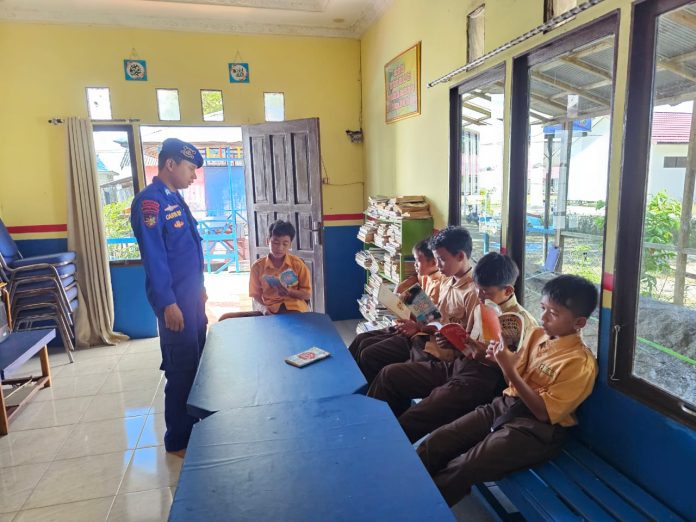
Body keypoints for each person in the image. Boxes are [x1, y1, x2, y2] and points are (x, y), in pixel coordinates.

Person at [417, 274, 599, 506]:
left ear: (579, 322)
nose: (543, 317)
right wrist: (498, 359)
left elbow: (543, 412)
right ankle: (408, 490)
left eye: (553, 313)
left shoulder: (579, 362)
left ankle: (423, 508)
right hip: (506, 405)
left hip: (535, 429)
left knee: (464, 466)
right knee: (437, 441)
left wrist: (508, 368)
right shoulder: (537, 335)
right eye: (543, 308)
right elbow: (513, 380)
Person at [368, 252, 537, 443]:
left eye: (486, 292)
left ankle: (384, 445)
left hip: (481, 382)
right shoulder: (480, 306)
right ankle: (369, 427)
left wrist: (488, 356)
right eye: (478, 290)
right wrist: (453, 342)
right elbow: (467, 342)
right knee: (390, 375)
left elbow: (515, 374)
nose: (480, 296)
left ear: (508, 290)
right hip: (457, 365)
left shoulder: (521, 323)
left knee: (415, 418)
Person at [130, 138, 207, 458]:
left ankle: (196, 426)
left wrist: (200, 289)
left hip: (192, 297)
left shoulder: (174, 197)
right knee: (181, 369)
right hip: (176, 302)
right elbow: (155, 257)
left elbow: (189, 248)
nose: (194, 175)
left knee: (198, 363)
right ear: (170, 164)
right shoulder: (150, 203)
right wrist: (167, 303)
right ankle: (178, 439)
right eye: (190, 168)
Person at [352, 226, 479, 385]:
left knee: (383, 369)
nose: (438, 265)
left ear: (460, 256)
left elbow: (471, 342)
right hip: (423, 337)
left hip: (438, 352)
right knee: (364, 346)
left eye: (441, 259)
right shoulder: (448, 279)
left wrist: (423, 328)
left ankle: (366, 395)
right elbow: (435, 317)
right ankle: (352, 387)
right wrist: (417, 321)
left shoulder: (473, 292)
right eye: (436, 259)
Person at [348, 239, 443, 364]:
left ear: (434, 262)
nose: (414, 265)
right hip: (410, 324)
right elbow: (413, 282)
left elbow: (430, 321)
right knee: (361, 339)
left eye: (417, 261)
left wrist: (408, 309)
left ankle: (358, 376)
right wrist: (402, 292)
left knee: (367, 351)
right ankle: (347, 371)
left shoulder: (440, 285)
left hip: (420, 333)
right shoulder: (425, 274)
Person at [248, 219, 312, 314]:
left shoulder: (298, 265)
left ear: (290, 244)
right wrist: (264, 309)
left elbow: (307, 295)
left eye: (285, 244)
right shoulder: (257, 267)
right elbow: (255, 295)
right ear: (267, 241)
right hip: (271, 310)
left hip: (295, 309)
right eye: (275, 243)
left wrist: (289, 291)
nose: (280, 248)